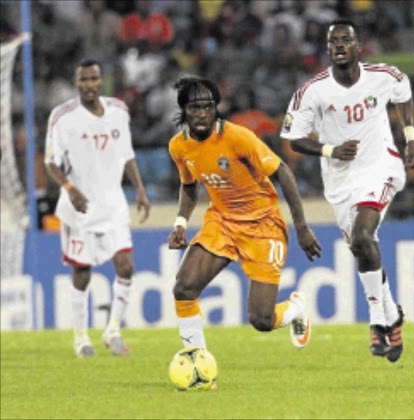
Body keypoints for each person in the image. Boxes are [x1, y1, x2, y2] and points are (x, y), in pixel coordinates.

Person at [280, 19, 414, 362]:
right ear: (328, 50)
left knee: (362, 235)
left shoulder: (383, 75)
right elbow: (291, 140)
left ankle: (376, 322)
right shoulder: (312, 91)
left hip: (380, 167)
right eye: (333, 42)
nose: (340, 45)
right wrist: (330, 150)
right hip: (340, 181)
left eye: (346, 40)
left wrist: (411, 140)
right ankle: (393, 316)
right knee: (364, 247)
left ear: (358, 46)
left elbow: (403, 93)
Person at [167, 77, 321, 351]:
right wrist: (180, 222)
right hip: (222, 221)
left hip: (262, 224)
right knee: (184, 288)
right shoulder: (179, 146)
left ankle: (295, 308)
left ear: (216, 109)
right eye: (194, 108)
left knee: (261, 320)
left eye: (207, 107)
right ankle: (196, 360)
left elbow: (283, 172)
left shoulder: (238, 137)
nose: (202, 113)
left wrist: (302, 228)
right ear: (184, 111)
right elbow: (189, 185)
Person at [44, 58, 151, 358]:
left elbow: (126, 153)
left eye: (93, 79)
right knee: (82, 272)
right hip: (80, 208)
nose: (89, 84)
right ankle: (81, 338)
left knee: (126, 266)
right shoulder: (62, 117)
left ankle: (113, 330)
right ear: (76, 83)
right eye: (83, 80)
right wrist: (69, 188)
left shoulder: (118, 110)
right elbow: (50, 162)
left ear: (100, 81)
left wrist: (140, 188)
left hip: (113, 203)